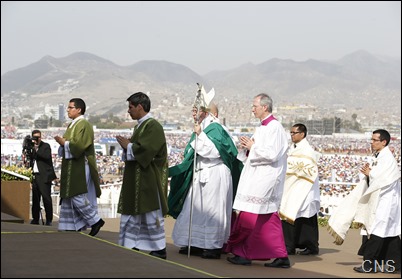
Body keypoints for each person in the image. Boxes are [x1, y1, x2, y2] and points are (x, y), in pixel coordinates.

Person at [168, 99, 242, 259]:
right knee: (195, 208)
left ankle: (212, 245)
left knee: (212, 210)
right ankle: (194, 243)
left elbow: (215, 151)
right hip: (201, 173)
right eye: (193, 110)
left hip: (215, 174)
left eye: (198, 110)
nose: (194, 113)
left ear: (210, 113)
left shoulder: (216, 128)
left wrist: (200, 135)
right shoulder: (203, 128)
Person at [225, 93, 290, 268]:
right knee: (267, 219)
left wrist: (252, 147)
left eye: (255, 106)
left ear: (265, 107)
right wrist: (247, 148)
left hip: (265, 179)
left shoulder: (275, 127)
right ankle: (280, 255)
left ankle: (243, 253)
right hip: (257, 176)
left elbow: (272, 154)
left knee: (250, 216)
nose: (252, 109)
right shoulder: (262, 127)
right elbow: (256, 151)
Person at [328, 129, 401, 273]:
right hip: (383, 201)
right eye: (371, 140)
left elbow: (383, 178)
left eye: (375, 140)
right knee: (390, 234)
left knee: (377, 232)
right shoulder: (380, 156)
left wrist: (370, 173)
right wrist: (369, 174)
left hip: (385, 202)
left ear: (384, 142)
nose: (371, 142)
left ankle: (369, 265)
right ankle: (396, 264)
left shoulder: (387, 158)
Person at [116, 92, 169, 260]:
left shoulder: (153, 126)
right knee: (135, 213)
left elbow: (147, 150)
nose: (128, 111)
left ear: (140, 107)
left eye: (131, 107)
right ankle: (133, 243)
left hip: (148, 177)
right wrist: (128, 146)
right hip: (137, 176)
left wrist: (128, 145)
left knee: (150, 213)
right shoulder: (140, 125)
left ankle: (159, 247)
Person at [54, 98, 104, 236]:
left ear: (79, 109)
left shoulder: (84, 124)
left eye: (70, 107)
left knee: (76, 194)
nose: (68, 110)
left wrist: (64, 142)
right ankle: (70, 225)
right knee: (69, 197)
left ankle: (95, 221)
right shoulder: (72, 125)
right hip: (72, 165)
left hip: (81, 165)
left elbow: (80, 145)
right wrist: (62, 144)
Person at [276, 123, 321, 261]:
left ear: (302, 134)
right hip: (293, 187)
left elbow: (303, 169)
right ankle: (294, 244)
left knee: (305, 217)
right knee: (295, 215)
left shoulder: (307, 151)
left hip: (303, 188)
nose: (292, 135)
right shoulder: (293, 148)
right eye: (291, 132)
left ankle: (306, 246)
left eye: (294, 133)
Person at [29, 129, 57, 226]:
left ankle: (49, 219)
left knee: (46, 198)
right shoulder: (31, 147)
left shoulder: (46, 146)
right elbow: (30, 159)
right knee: (35, 199)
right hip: (35, 175)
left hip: (44, 176)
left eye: (39, 137)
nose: (37, 139)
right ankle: (35, 218)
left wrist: (36, 149)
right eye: (35, 137)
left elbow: (46, 157)